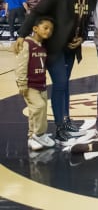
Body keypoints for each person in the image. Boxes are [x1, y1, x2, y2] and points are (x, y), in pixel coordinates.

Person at [15, 0, 98, 141]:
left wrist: (82, 37)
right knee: (60, 84)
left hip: (71, 47)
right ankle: (60, 128)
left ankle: (66, 121)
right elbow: (38, 10)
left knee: (65, 85)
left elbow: (85, 20)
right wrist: (22, 33)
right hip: (54, 47)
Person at [15, 17, 56, 151]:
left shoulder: (42, 46)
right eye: (45, 27)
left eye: (51, 29)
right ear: (35, 28)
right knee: (38, 106)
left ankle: (35, 135)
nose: (48, 31)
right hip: (30, 84)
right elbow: (21, 65)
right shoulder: (27, 43)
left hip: (41, 83)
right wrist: (21, 83)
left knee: (40, 111)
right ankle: (37, 135)